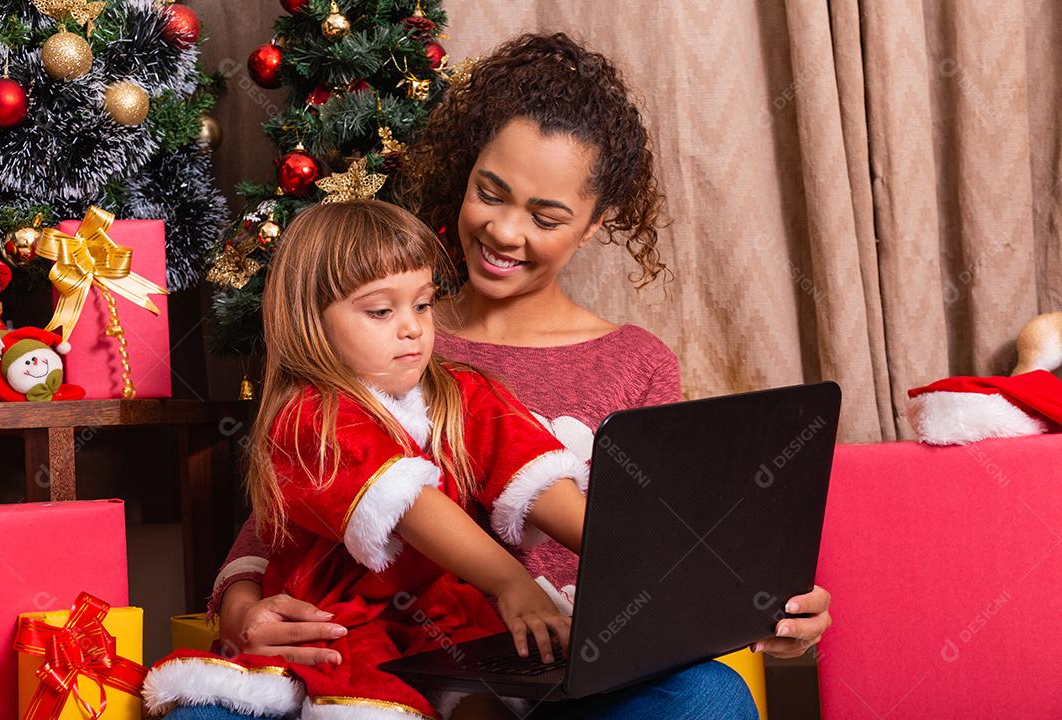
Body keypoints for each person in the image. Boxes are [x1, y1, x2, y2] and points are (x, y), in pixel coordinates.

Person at [208, 33, 830, 719]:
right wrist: (244, 613)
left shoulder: (635, 364)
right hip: (384, 656)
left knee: (709, 696)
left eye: (545, 215)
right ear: (465, 172)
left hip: (558, 673)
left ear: (593, 225)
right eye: (491, 192)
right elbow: (279, 521)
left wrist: (753, 595)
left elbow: (655, 541)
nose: (505, 232)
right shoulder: (369, 338)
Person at [144, 200, 592, 719]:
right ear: (312, 322)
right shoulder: (310, 417)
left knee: (492, 701)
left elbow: (534, 470)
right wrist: (511, 583)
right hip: (342, 626)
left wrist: (623, 549)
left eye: (422, 305)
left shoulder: (462, 393)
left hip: (445, 619)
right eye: (382, 311)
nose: (412, 328)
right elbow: (409, 504)